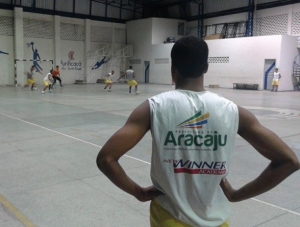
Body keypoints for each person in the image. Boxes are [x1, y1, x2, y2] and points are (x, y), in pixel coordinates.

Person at [96, 36, 300, 227]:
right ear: (206, 67)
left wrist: (138, 192)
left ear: (172, 68)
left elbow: (106, 159)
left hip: (168, 217)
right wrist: (237, 195)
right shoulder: (234, 112)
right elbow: (289, 160)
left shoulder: (152, 108)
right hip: (217, 220)